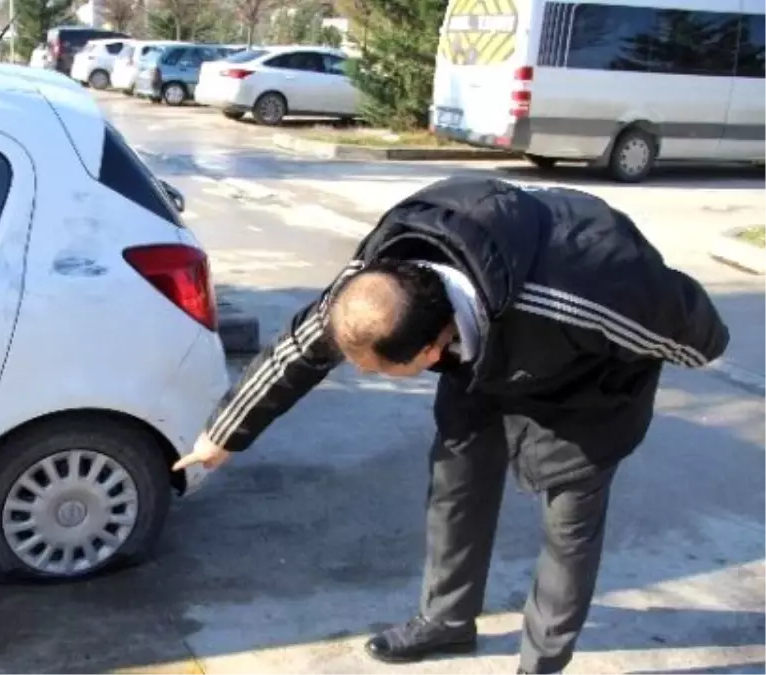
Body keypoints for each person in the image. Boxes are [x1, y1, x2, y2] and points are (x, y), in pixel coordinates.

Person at [172, 176, 730, 675]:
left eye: (392, 372)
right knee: (454, 491)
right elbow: (304, 346)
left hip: (582, 392)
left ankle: (542, 664)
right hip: (485, 362)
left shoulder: (588, 286)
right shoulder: (381, 280)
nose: (384, 380)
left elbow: (693, 332)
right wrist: (223, 433)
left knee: (567, 531)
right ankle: (447, 622)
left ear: (434, 343)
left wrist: (624, 377)